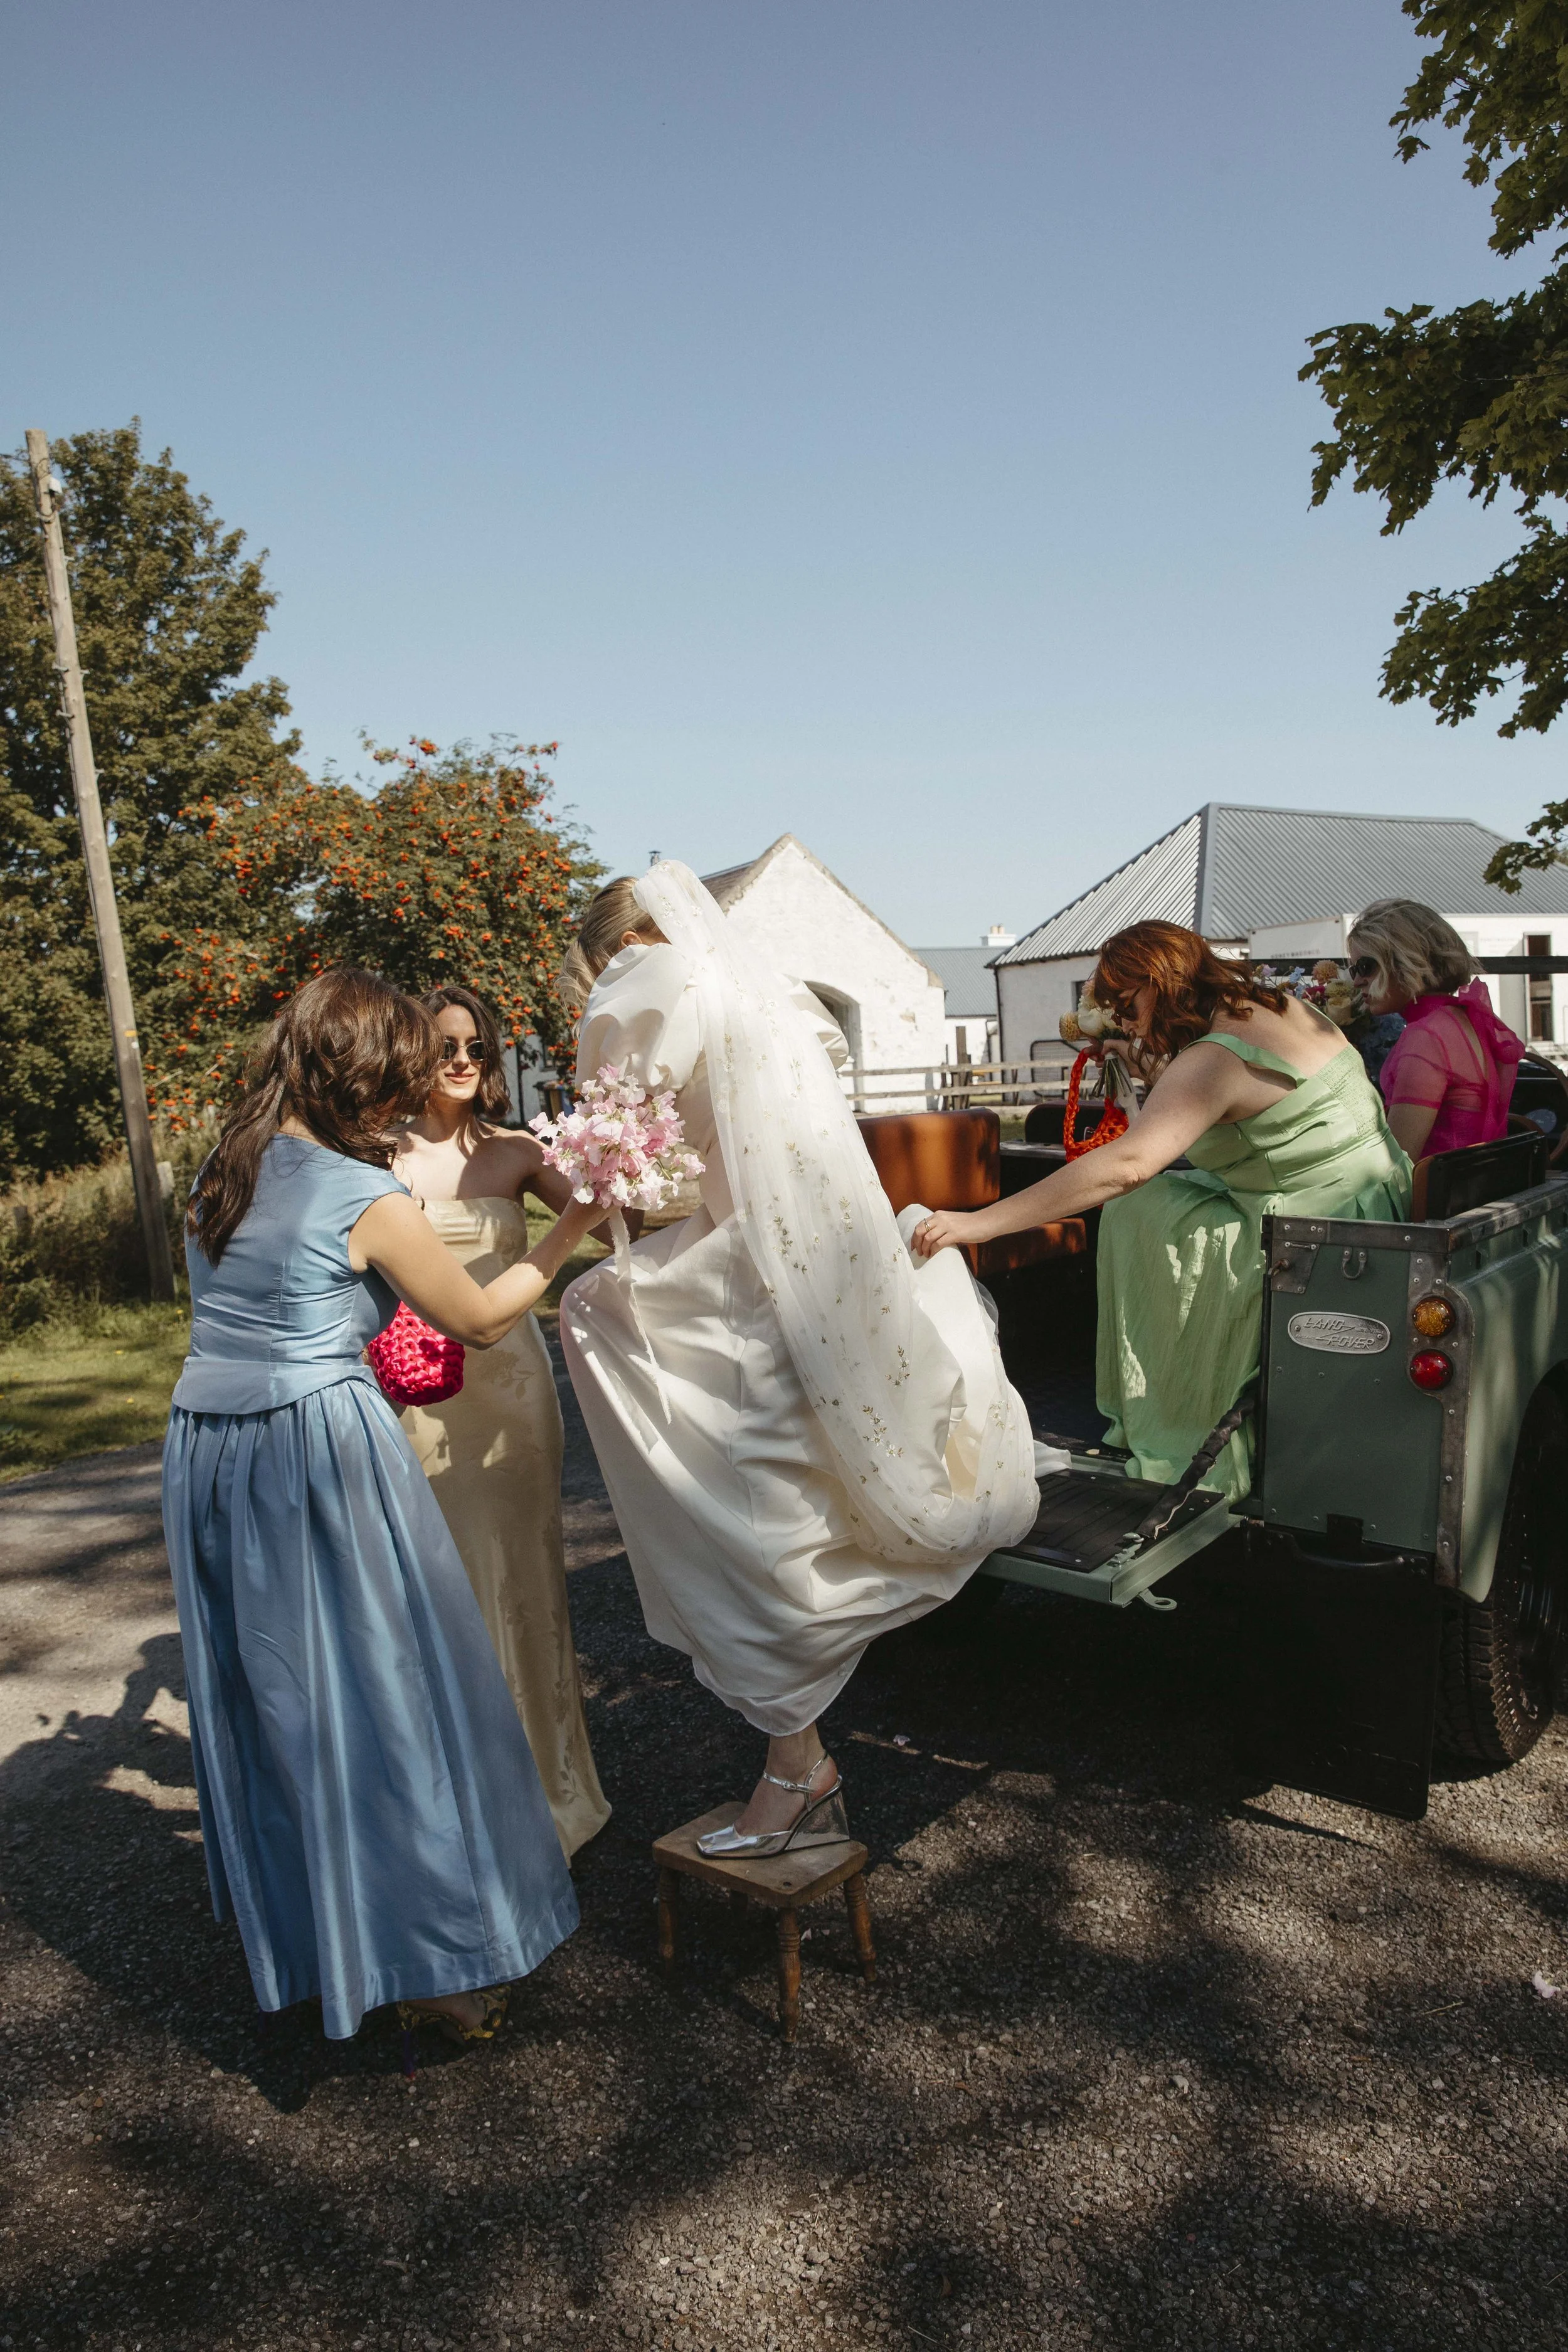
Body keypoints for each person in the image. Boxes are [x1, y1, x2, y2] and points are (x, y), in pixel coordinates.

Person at [557, 865, 1039, 1858]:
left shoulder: (647, 980)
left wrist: (571, 1195)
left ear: (617, 944)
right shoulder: (765, 987)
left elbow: (630, 1170)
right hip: (829, 1254)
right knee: (785, 1482)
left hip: (749, 1264)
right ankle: (796, 1753)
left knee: (725, 1481)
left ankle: (796, 1766)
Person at [162, 968, 598, 2048]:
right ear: (363, 1072)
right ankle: (432, 1964)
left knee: (281, 1696)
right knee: (390, 1689)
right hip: (315, 1444)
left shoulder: (224, 1166)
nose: (412, 1090)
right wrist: (568, 1232)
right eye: (401, 1071)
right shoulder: (364, 1194)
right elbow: (481, 1318)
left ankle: (319, 1934)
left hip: (207, 1446)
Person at [913, 921, 1411, 1498]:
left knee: (1132, 1206)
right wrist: (1136, 1055)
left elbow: (1130, 1163)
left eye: (1127, 1006)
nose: (1125, 1021)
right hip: (1371, 1198)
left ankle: (1174, 1401)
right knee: (1150, 1201)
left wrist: (980, 1224)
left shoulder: (1213, 1059)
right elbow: (1205, 1100)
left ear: (1159, 983)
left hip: (1306, 1232)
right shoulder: (1278, 1008)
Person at [391, 983, 610, 1861]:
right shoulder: (374, 1155)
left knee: (522, 1581)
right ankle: (448, 1804)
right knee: (429, 1586)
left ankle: (547, 1793)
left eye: (475, 1046)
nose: (461, 1060)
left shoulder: (517, 1151)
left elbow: (611, 1220)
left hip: (510, 1393)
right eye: (445, 1044)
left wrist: (628, 1151)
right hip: (411, 1389)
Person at [1346, 899, 1524, 1162]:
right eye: (1354, 970)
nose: (1357, 981)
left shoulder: (1426, 1036)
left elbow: (1397, 1162)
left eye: (1366, 967)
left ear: (1406, 960)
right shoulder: (1462, 1018)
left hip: (1438, 1186)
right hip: (1473, 1179)